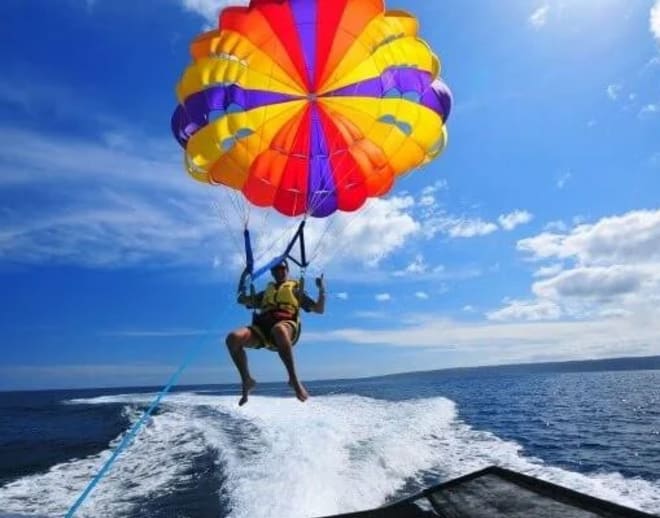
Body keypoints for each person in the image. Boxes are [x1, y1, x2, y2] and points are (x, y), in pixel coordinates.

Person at [225, 259, 325, 406]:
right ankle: (247, 380)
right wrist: (243, 276)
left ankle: (293, 379)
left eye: (283, 268)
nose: (280, 271)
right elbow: (241, 299)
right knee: (232, 338)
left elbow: (319, 309)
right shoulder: (266, 293)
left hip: (287, 326)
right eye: (276, 269)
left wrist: (322, 290)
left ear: (287, 270)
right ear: (272, 272)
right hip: (263, 331)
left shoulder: (295, 290)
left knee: (279, 329)